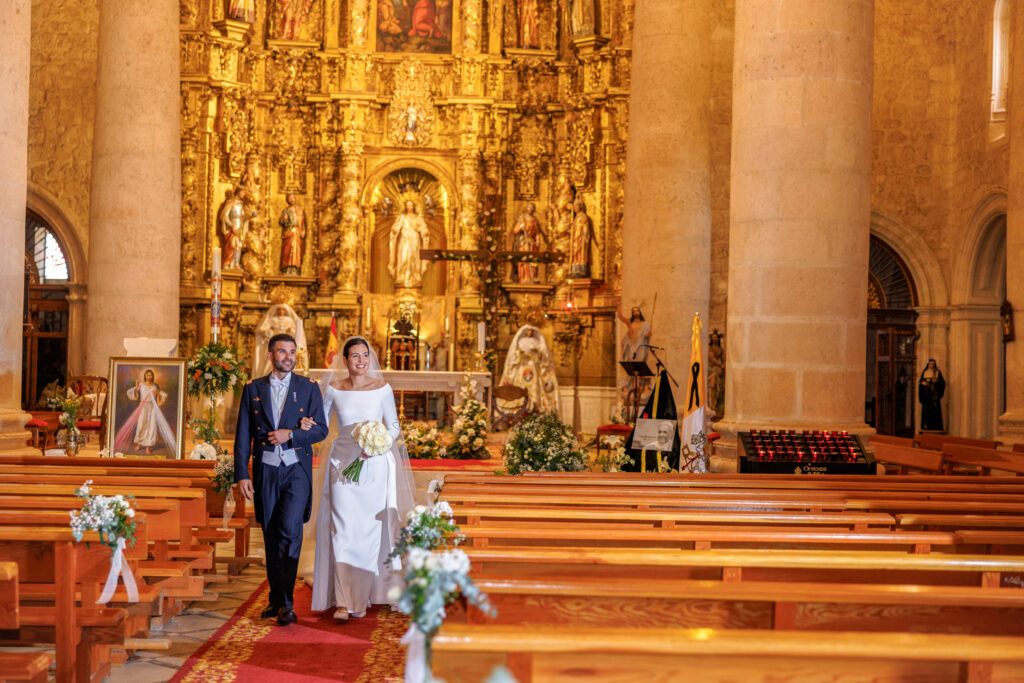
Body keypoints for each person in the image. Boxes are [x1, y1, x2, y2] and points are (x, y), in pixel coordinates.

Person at [308, 336, 416, 620]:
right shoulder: (333, 388)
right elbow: (321, 425)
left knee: (373, 529)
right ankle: (344, 601)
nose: (361, 361)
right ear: (345, 360)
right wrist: (307, 424)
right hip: (341, 463)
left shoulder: (382, 388)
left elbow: (393, 425)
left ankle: (378, 590)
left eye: (365, 355)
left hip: (376, 464)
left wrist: (378, 443)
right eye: (355, 356)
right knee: (342, 530)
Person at [234, 333, 329, 626]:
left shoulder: (308, 387)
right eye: (282, 351)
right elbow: (243, 434)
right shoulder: (253, 389)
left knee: (290, 532)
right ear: (270, 355)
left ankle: (287, 603)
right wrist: (242, 473)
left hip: (295, 471)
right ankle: (276, 598)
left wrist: (293, 434)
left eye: (292, 351)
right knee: (271, 535)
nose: (289, 356)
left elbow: (321, 430)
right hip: (266, 471)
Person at [496, 325, 560, 415]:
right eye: (527, 331)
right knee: (521, 386)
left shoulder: (536, 341)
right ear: (525, 331)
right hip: (523, 367)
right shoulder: (521, 341)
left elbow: (542, 357)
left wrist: (537, 352)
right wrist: (520, 353)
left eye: (530, 331)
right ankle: (520, 407)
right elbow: (515, 354)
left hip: (533, 367)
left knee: (535, 386)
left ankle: (535, 406)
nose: (529, 332)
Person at [113, 369, 177, 456]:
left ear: (152, 376)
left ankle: (148, 446)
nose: (149, 376)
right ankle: (139, 444)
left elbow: (160, 398)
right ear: (145, 376)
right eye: (147, 375)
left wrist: (157, 394)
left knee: (151, 426)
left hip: (152, 407)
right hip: (143, 407)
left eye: (150, 375)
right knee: (141, 424)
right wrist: (136, 388)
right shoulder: (141, 385)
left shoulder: (155, 386)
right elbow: (134, 395)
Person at [252, 304, 309, 379]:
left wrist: (290, 331)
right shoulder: (271, 320)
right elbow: (263, 331)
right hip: (275, 344)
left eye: (283, 309)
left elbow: (296, 333)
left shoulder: (289, 321)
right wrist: (270, 332)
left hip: (287, 345)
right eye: (279, 309)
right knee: (270, 362)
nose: (281, 311)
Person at [388, 200, 431, 288]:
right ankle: (401, 277)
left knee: (414, 258)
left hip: (414, 240)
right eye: (408, 205)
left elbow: (423, 228)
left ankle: (414, 277)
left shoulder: (418, 218)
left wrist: (425, 232)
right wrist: (394, 231)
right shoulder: (402, 217)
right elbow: (396, 227)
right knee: (403, 257)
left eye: (411, 205)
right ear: (406, 207)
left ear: (413, 206)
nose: (409, 207)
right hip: (404, 240)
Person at [218, 187, 252, 270]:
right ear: (238, 192)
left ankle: (236, 263)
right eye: (243, 192)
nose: (244, 194)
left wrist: (248, 216)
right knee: (230, 245)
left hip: (239, 227)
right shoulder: (230, 203)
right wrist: (231, 226)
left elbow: (241, 217)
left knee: (239, 245)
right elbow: (224, 216)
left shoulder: (240, 204)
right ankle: (227, 263)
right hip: (231, 227)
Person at [512, 202, 546, 283]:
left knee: (532, 260)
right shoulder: (522, 219)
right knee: (524, 260)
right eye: (529, 207)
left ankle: (532, 277)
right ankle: (523, 278)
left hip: (531, 243)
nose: (530, 209)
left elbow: (537, 233)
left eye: (532, 207)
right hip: (523, 242)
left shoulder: (534, 220)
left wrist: (537, 241)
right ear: (526, 208)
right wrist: (521, 227)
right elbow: (515, 230)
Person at [278, 193, 305, 274]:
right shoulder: (285, 211)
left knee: (296, 250)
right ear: (287, 200)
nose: (292, 200)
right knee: (287, 251)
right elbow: (281, 222)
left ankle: (294, 268)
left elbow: (302, 222)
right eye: (290, 198)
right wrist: (284, 219)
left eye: (293, 198)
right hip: (288, 233)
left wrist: (302, 230)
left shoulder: (299, 210)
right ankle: (286, 268)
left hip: (296, 233)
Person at [918, 358, 946, 431]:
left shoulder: (937, 372)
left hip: (934, 396)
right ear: (928, 364)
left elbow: (942, 383)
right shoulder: (925, 372)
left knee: (935, 412)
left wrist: (937, 381)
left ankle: (936, 427)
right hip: (926, 396)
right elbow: (920, 383)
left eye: (933, 364)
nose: (931, 365)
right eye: (930, 364)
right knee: (926, 412)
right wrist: (922, 384)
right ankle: (926, 426)